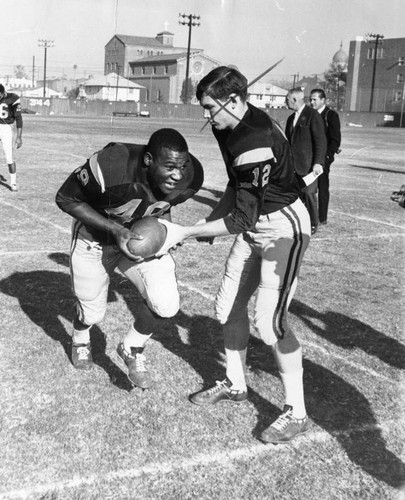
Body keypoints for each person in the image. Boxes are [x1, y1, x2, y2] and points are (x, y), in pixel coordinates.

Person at [156, 67, 311, 444]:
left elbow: (243, 216)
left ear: (235, 100)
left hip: (283, 226)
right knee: (227, 307)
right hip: (256, 223)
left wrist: (187, 231)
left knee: (268, 322)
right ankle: (236, 383)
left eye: (211, 107)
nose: (207, 116)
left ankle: (297, 411)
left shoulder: (254, 139)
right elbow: (236, 185)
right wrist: (210, 219)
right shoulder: (230, 126)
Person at [55, 128, 204, 388]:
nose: (178, 175)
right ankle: (80, 336)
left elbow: (163, 207)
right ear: (148, 161)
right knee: (92, 314)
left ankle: (132, 348)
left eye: (182, 166)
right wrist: (114, 228)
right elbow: (66, 198)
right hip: (96, 237)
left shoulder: (190, 176)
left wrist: (163, 233)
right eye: (169, 166)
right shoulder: (111, 165)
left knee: (166, 304)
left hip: (137, 241)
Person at [285, 88, 326, 234]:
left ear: (295, 99)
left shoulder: (312, 115)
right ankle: (296, 221)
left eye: (287, 99)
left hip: (309, 166)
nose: (285, 102)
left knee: (309, 194)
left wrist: (318, 162)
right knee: (294, 195)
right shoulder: (291, 118)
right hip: (293, 166)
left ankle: (313, 223)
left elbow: (321, 141)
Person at [310, 89, 341, 225]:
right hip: (309, 158)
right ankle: (308, 215)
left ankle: (322, 218)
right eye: (310, 99)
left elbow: (335, 139)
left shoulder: (330, 115)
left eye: (315, 99)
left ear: (323, 100)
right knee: (308, 187)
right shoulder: (310, 114)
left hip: (323, 159)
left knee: (322, 186)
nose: (312, 102)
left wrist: (328, 156)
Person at [0, 84, 23, 192]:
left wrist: (18, 137)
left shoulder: (12, 98)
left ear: (2, 92)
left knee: (9, 157)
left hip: (6, 129)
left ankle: (13, 183)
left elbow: (18, 118)